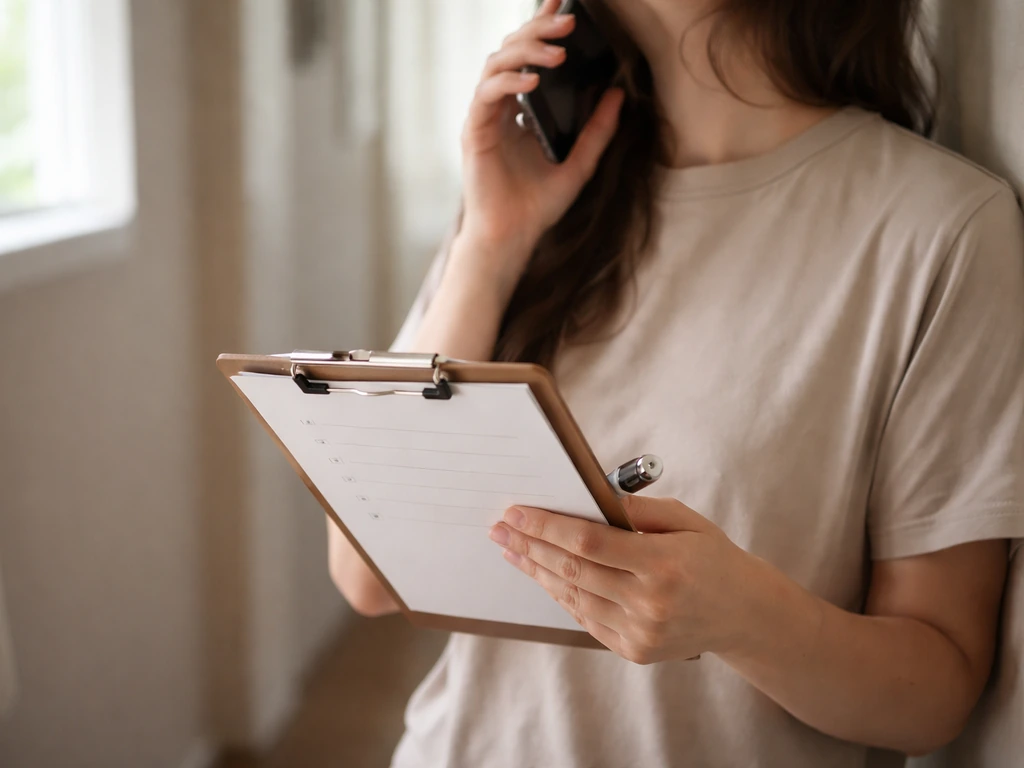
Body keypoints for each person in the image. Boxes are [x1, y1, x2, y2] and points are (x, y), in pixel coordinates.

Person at [328, 0, 1024, 765]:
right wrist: (490, 247)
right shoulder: (533, 189)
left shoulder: (943, 228)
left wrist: (743, 617)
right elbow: (364, 572)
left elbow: (939, 691)